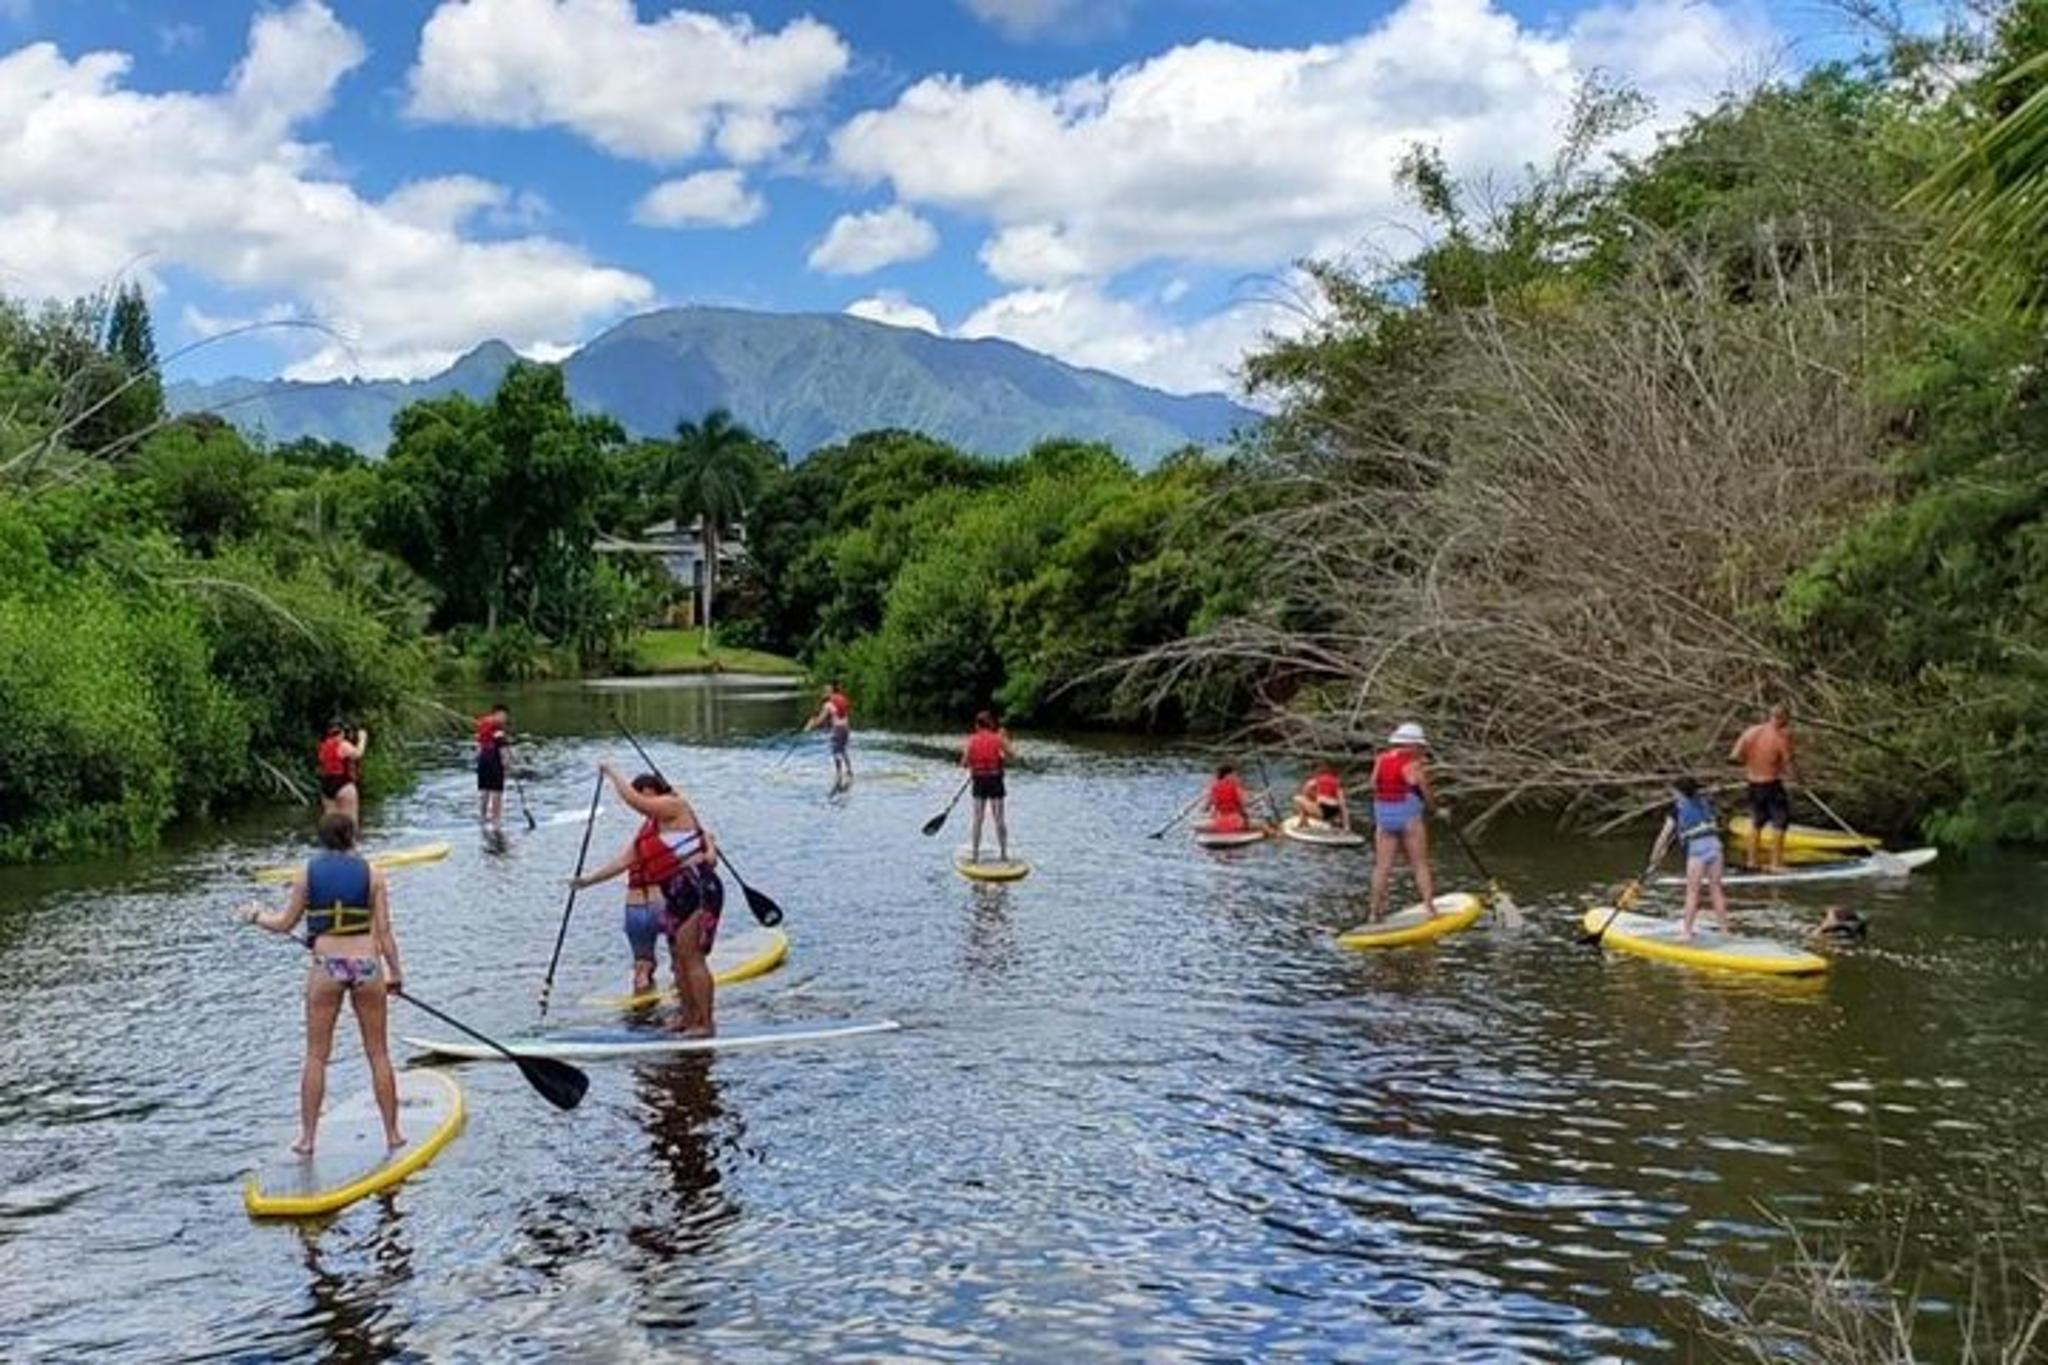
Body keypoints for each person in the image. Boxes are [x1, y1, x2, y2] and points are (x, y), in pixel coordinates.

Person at [239, 813, 406, 1156]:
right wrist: (396, 974)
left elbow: (284, 924)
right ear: (353, 837)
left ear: (323, 839)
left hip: (327, 967)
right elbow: (385, 933)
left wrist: (256, 916)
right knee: (378, 1054)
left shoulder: (306, 874)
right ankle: (392, 1134)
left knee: (316, 1056)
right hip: (366, 966)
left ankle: (307, 1139)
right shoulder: (374, 874)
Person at [571, 762, 723, 1036]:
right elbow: (623, 862)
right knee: (678, 960)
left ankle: (705, 1023)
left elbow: (632, 800)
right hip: (674, 892)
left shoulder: (675, 806)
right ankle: (688, 1017)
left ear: (656, 791)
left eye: (646, 793)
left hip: (696, 887)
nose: (644, 800)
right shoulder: (648, 830)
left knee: (692, 957)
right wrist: (587, 881)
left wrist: (611, 771)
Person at [1369, 723, 1438, 922]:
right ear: (1413, 745)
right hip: (1408, 818)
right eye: (1420, 746)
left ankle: (1374, 912)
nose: (1422, 750)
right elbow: (1424, 791)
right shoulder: (1413, 764)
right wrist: (1436, 808)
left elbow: (1373, 784)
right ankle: (1430, 908)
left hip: (1384, 817)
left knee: (1382, 867)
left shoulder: (1380, 760)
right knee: (1419, 864)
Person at [1647, 776, 1729, 940]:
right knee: (1716, 889)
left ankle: (1687, 932)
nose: (1673, 795)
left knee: (1692, 892)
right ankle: (1725, 931)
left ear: (1679, 792)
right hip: (1716, 847)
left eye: (1674, 792)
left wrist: (1654, 857)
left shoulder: (1676, 810)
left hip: (1698, 851)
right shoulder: (1705, 803)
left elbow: (1664, 836)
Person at [1731, 704, 1798, 872]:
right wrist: (1798, 779)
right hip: (1771, 783)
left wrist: (1753, 763)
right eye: (1787, 719)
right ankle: (1776, 863)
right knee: (1780, 822)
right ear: (1782, 718)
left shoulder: (1751, 731)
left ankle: (1752, 861)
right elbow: (1789, 762)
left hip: (1753, 783)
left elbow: (1734, 756)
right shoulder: (1781, 736)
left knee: (1757, 822)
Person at [962, 710, 1015, 864]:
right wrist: (1004, 744)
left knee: (978, 819)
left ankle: (975, 856)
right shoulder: (999, 739)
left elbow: (964, 763)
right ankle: (1004, 855)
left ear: (977, 725)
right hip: (995, 780)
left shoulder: (971, 740)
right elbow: (1013, 756)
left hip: (979, 780)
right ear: (990, 724)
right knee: (999, 818)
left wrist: (974, 763)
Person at [805, 681, 854, 793]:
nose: (822, 694)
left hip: (837, 729)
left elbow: (820, 721)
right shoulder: (841, 698)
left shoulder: (827, 705)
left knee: (835, 751)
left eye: (824, 692)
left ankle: (839, 774)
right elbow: (836, 715)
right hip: (846, 728)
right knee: (843, 750)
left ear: (829, 692)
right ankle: (850, 771)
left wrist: (810, 725)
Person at [315, 720, 367, 823]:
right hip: (343, 783)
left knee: (331, 822)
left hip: (326, 785)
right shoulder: (343, 745)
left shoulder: (323, 746)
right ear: (342, 732)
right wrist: (362, 739)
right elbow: (358, 754)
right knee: (349, 822)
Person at [475, 703, 513, 829]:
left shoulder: (482, 725)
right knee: (497, 791)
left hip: (482, 760)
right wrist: (507, 765)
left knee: (484, 790)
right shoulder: (498, 727)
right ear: (498, 713)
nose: (505, 719)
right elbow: (502, 748)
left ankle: (482, 817)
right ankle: (496, 820)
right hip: (494, 760)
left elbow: (478, 747)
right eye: (504, 715)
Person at [1292, 763, 1351, 831]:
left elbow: (1306, 789)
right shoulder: (1337, 782)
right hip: (1334, 812)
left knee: (1297, 799)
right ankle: (1335, 822)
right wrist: (1347, 826)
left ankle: (1303, 823)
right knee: (1332, 804)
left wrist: (1309, 797)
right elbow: (1343, 806)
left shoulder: (1318, 779)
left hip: (1322, 811)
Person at [1199, 763, 1255, 833]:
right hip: (1234, 820)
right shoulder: (1234, 786)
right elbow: (1242, 804)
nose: (1235, 776)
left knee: (1213, 814)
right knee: (1263, 825)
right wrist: (1246, 816)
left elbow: (1207, 806)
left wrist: (1204, 809)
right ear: (1228, 775)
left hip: (1218, 821)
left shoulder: (1214, 786)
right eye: (1233, 774)